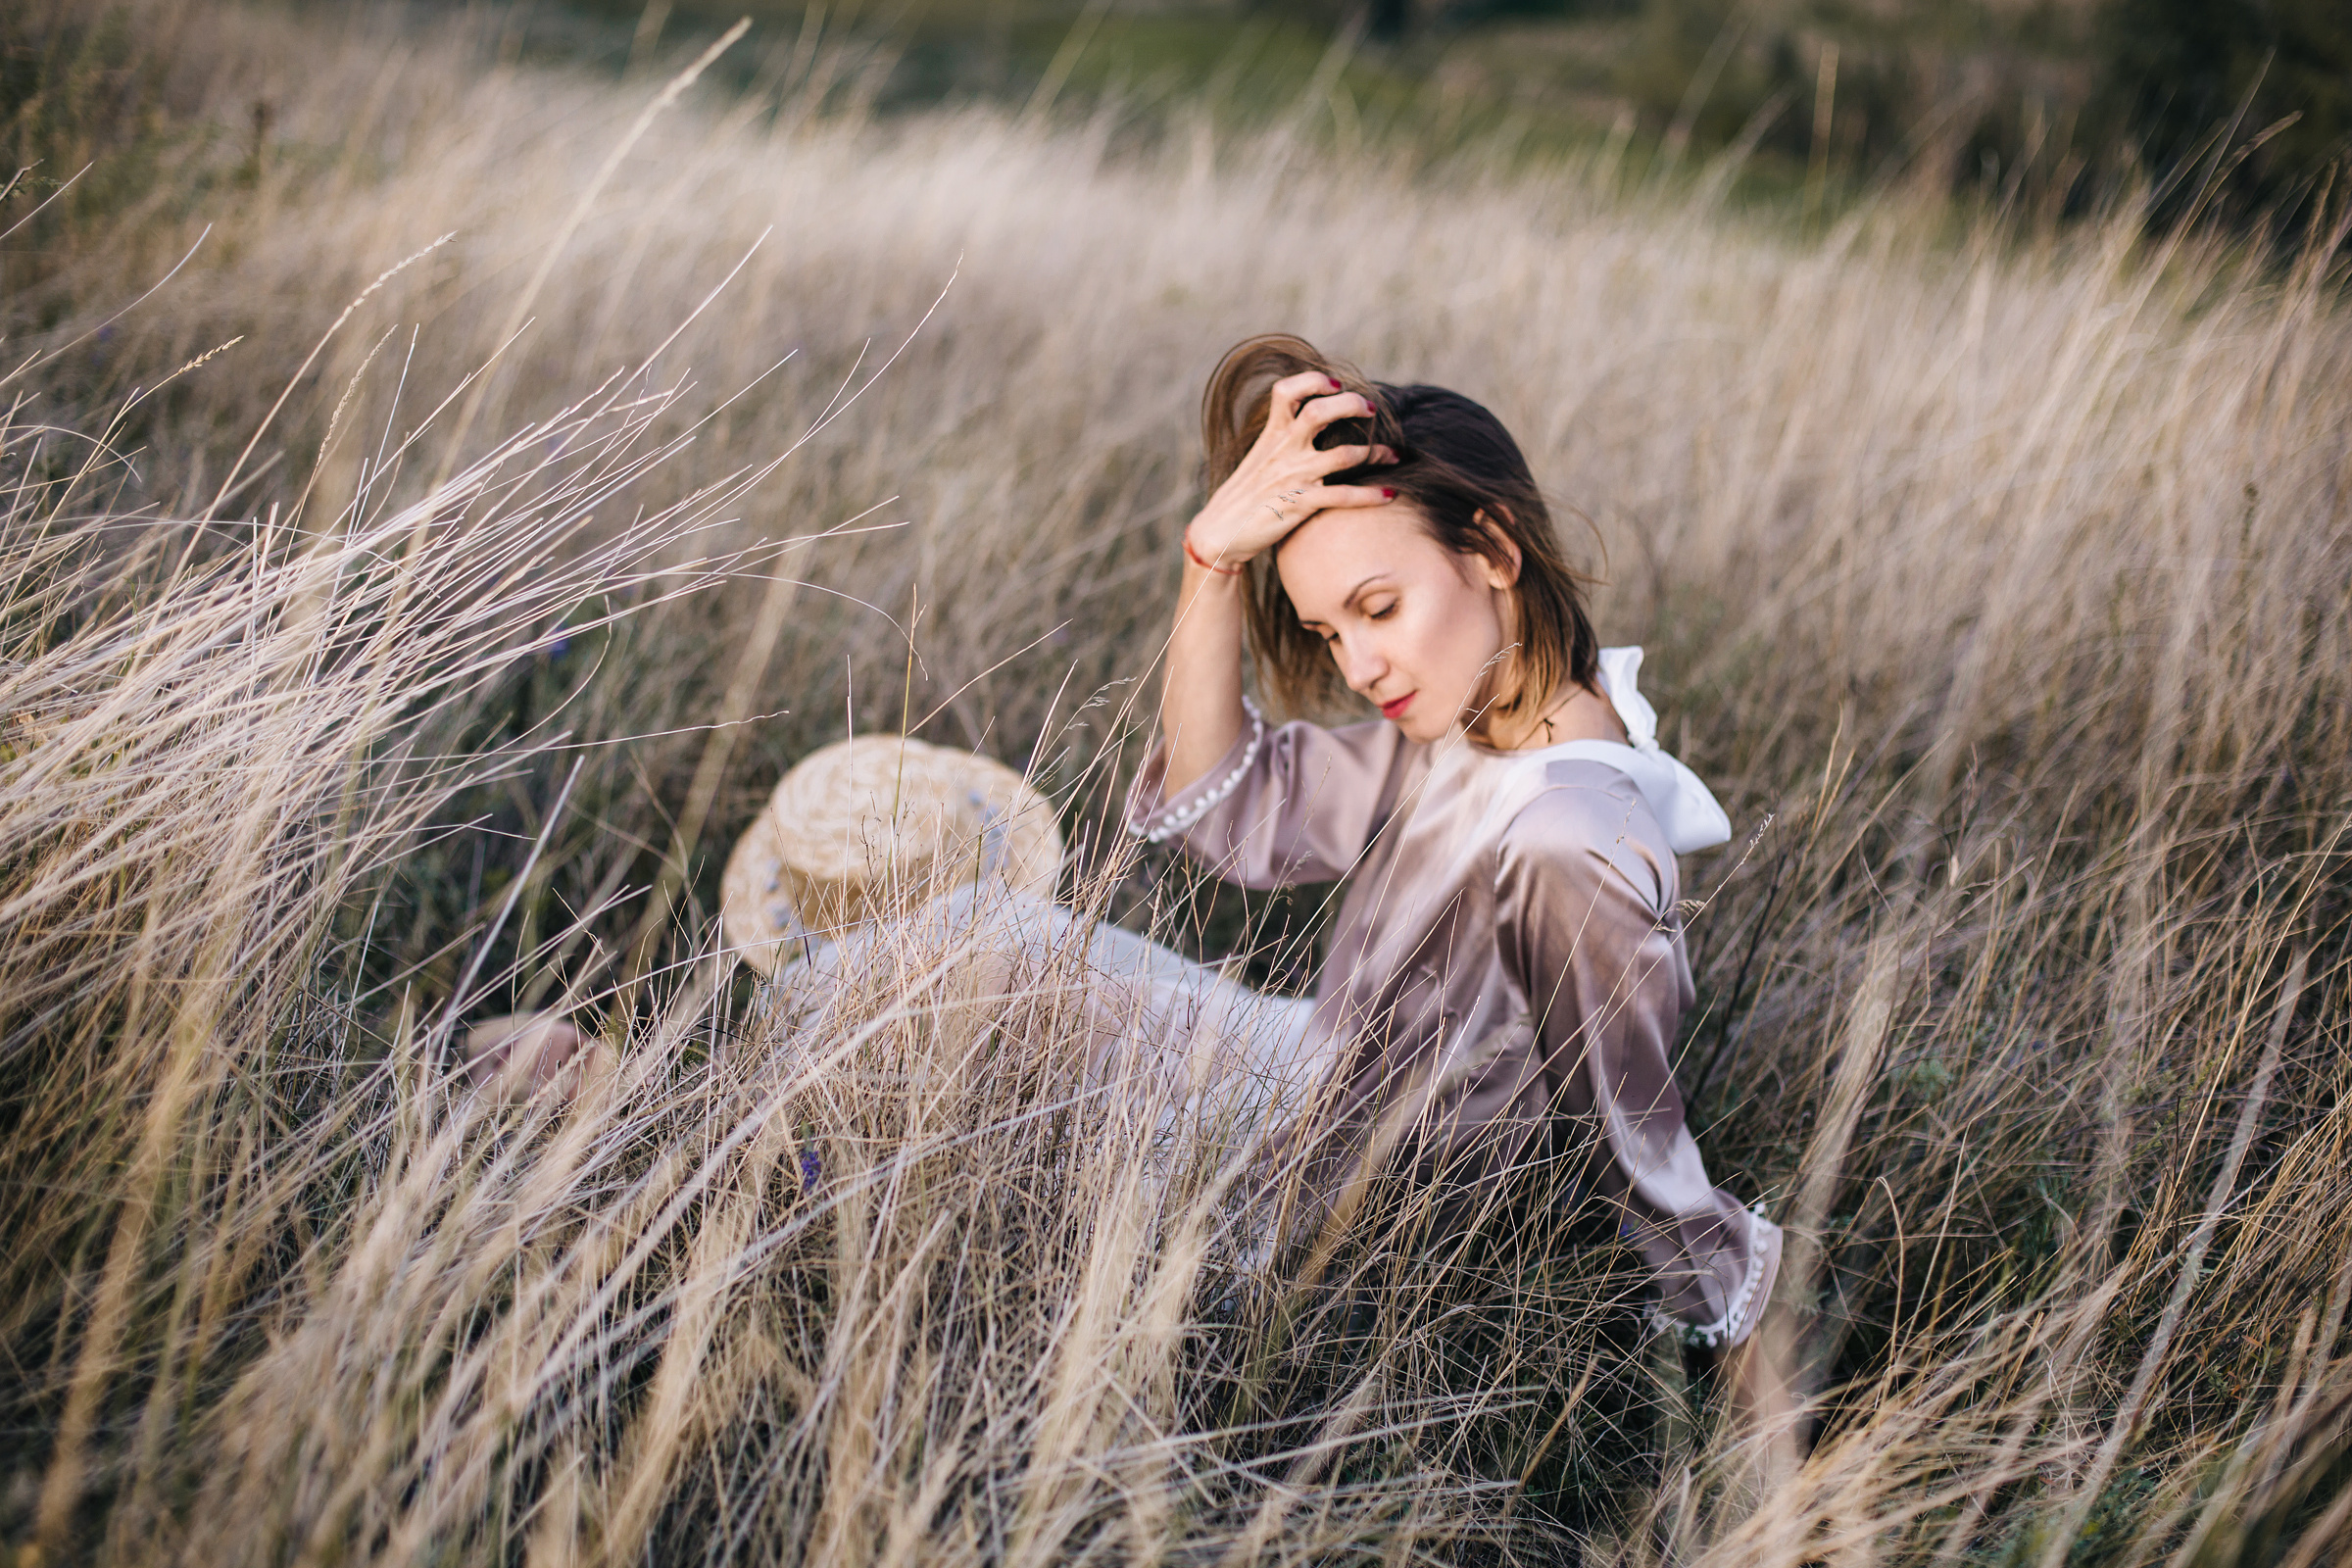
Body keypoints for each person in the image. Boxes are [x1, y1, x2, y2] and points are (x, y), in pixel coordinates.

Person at [1124, 332, 1794, 1461]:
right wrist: (1211, 563)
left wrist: (1776, 1435)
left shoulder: (1565, 834)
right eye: (1332, 632)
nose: (1359, 667)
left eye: (1379, 607)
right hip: (1299, 1079)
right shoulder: (1473, 729)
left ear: (1490, 548)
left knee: (964, 996)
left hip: (1316, 1192)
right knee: (976, 960)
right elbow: (1224, 803)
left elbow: (1635, 1146)